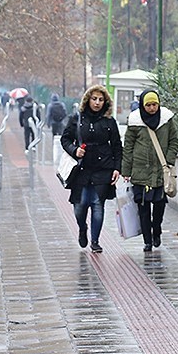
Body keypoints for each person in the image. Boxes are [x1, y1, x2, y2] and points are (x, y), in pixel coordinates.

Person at [60, 84, 122, 253]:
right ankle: (82, 228)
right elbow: (65, 139)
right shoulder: (77, 118)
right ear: (87, 100)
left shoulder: (109, 121)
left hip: (103, 169)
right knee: (79, 207)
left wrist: (117, 168)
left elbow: (117, 146)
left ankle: (95, 241)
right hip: (81, 169)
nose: (97, 102)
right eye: (94, 99)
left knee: (97, 206)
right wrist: (75, 150)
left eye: (101, 99)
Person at [121, 89, 178, 252]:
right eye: (148, 105)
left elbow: (174, 141)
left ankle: (157, 230)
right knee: (143, 208)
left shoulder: (166, 120)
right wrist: (126, 170)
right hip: (140, 172)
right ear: (142, 105)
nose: (152, 108)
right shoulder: (135, 121)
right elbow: (129, 147)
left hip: (161, 171)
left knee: (159, 206)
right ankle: (147, 240)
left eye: (155, 104)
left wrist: (168, 161)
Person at [46, 93, 68, 165]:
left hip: (53, 122)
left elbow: (48, 115)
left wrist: (48, 123)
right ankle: (62, 146)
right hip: (60, 122)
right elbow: (65, 113)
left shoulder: (50, 105)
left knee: (54, 134)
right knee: (61, 134)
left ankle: (55, 146)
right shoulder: (62, 104)